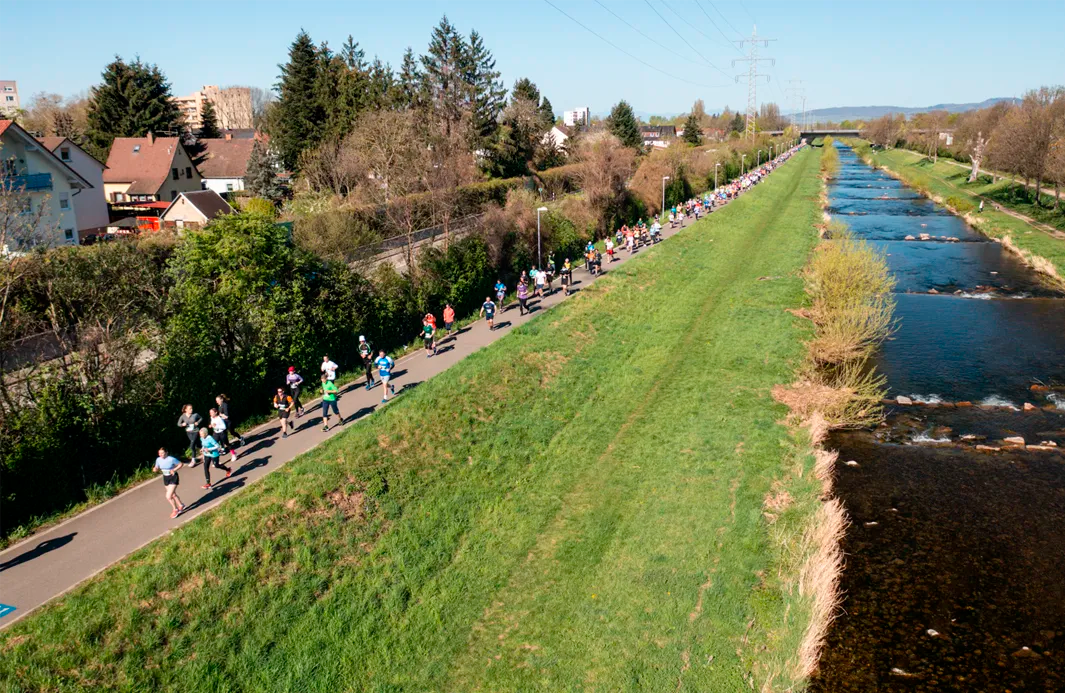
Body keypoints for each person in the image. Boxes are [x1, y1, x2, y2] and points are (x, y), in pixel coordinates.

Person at [154, 448, 185, 519]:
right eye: (159, 453)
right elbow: (156, 466)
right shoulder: (158, 459)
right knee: (173, 494)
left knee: (168, 496)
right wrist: (155, 469)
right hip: (165, 478)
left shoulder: (171, 459)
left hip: (173, 477)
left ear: (166, 452)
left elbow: (180, 464)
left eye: (162, 453)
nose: (161, 455)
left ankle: (175, 510)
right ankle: (181, 505)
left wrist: (174, 469)